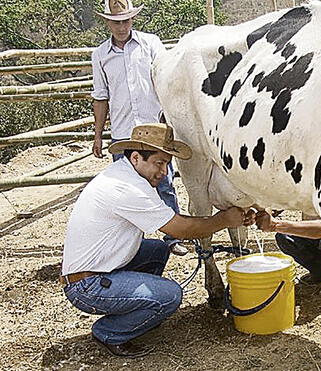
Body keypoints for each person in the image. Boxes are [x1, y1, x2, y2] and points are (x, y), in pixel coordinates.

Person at [61, 123, 255, 358]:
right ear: (135, 158)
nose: (164, 172)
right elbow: (180, 229)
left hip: (95, 270)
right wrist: (224, 219)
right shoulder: (127, 188)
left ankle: (140, 307)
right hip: (86, 287)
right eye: (159, 163)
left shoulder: (125, 175)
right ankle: (110, 331)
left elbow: (173, 220)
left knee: (157, 250)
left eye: (166, 164)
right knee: (171, 296)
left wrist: (222, 218)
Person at [90, 0, 188, 256]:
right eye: (116, 21)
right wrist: (98, 135)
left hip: (154, 126)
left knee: (163, 180)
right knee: (126, 188)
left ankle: (172, 235)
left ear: (132, 19)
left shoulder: (151, 44)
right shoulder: (100, 54)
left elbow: (167, 83)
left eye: (125, 20)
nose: (121, 26)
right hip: (123, 130)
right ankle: (132, 242)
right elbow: (101, 96)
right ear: (107, 22)